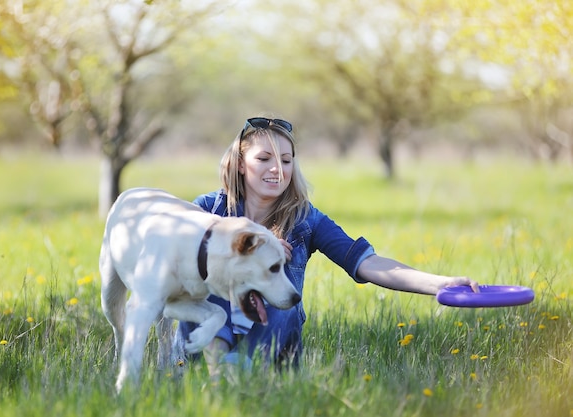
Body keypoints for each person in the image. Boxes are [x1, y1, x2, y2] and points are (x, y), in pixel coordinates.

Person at [177, 116, 479, 375]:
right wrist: (250, 253)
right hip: (204, 342)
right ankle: (214, 369)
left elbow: (366, 262)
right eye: (264, 158)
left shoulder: (305, 220)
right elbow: (176, 263)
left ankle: (252, 374)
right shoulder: (208, 209)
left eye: (286, 160)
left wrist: (441, 284)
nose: (278, 170)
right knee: (204, 291)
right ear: (241, 164)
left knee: (284, 301)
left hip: (269, 351)